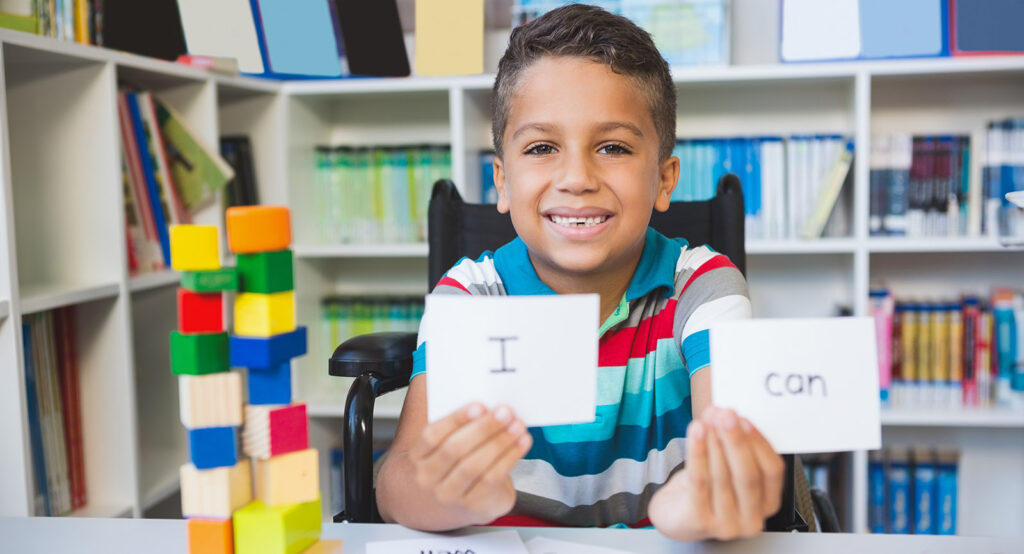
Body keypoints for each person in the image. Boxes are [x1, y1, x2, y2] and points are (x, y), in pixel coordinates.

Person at [376, 4, 784, 541]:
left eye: (612, 147)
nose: (576, 178)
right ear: (501, 180)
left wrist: (705, 500)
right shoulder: (469, 298)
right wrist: (437, 493)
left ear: (664, 180)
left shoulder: (704, 288)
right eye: (542, 147)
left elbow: (733, 455)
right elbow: (395, 483)